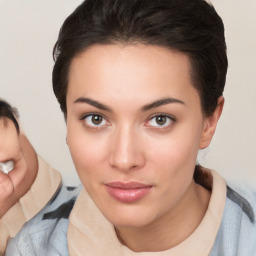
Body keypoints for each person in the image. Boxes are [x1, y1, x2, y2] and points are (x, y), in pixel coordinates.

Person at [1, 0, 256, 255]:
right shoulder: (32, 247)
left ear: (209, 123)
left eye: (160, 119)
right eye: (96, 119)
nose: (124, 159)